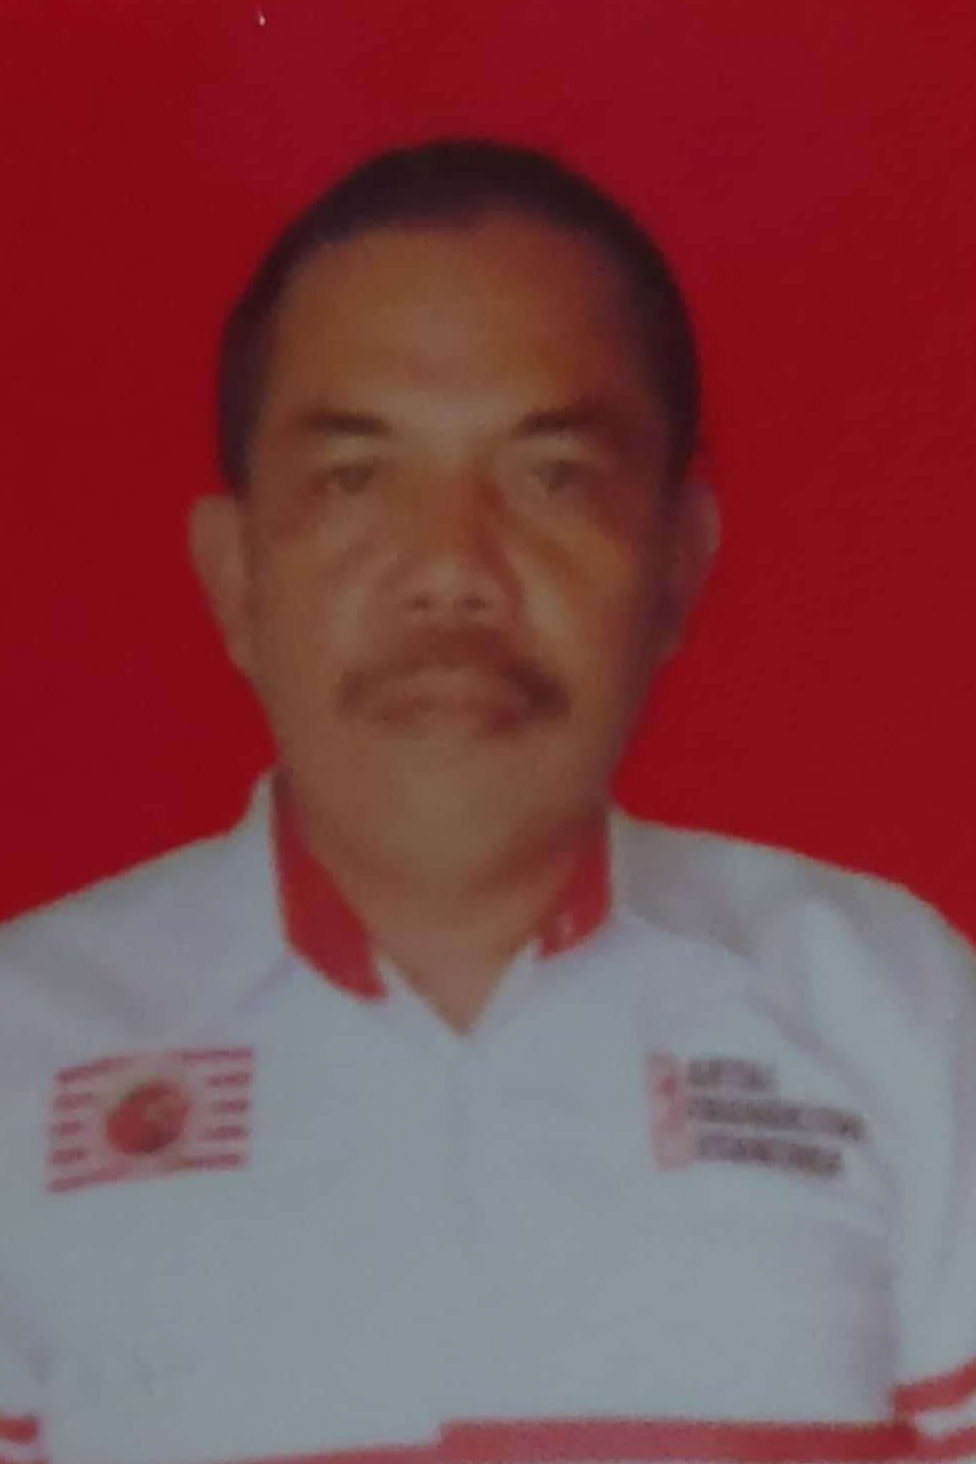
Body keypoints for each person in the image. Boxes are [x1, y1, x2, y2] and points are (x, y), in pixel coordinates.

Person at [1, 138, 973, 1464]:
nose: (452, 572)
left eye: (551, 476)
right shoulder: (24, 1053)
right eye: (356, 478)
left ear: (679, 566)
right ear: (235, 581)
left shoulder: (895, 1011)